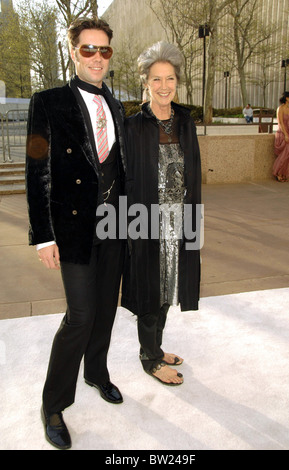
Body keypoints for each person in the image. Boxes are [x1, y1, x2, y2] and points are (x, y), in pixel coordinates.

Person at [26, 16, 126, 450]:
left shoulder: (117, 106)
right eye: (89, 49)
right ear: (73, 52)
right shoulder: (47, 102)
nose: (97, 58)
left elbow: (121, 170)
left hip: (116, 223)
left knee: (106, 308)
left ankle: (97, 372)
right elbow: (37, 172)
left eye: (104, 50)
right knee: (80, 315)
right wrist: (43, 235)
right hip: (71, 227)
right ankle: (53, 404)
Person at [122, 41, 202, 386]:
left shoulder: (185, 121)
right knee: (149, 290)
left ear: (177, 82)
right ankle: (150, 358)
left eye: (169, 79)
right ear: (146, 83)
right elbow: (123, 176)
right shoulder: (134, 126)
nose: (164, 86)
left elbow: (193, 171)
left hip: (180, 218)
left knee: (171, 286)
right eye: (156, 79)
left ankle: (156, 345)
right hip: (146, 220)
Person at [273, 91, 289, 182]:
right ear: (287, 98)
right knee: (283, 155)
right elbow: (281, 122)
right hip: (282, 133)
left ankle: (283, 173)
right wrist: (285, 134)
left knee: (288, 155)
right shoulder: (280, 108)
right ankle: (278, 173)